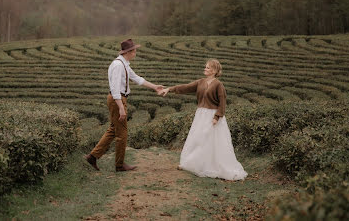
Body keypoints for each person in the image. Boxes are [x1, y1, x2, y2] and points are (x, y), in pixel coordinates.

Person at [159, 59, 247, 180]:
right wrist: (169, 89)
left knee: (210, 141)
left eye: (208, 68)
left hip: (212, 116)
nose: (205, 69)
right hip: (201, 115)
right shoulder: (200, 82)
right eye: (205, 67)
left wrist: (217, 117)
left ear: (214, 71)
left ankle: (211, 166)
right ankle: (193, 164)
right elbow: (185, 87)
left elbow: (222, 103)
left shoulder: (218, 85)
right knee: (198, 139)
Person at [85, 39, 164, 172]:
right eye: (134, 50)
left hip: (119, 99)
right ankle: (119, 165)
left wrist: (155, 87)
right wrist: (121, 107)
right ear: (129, 52)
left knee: (113, 130)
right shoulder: (118, 65)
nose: (136, 52)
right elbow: (115, 88)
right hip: (117, 99)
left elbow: (137, 78)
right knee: (122, 134)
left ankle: (92, 157)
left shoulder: (124, 64)